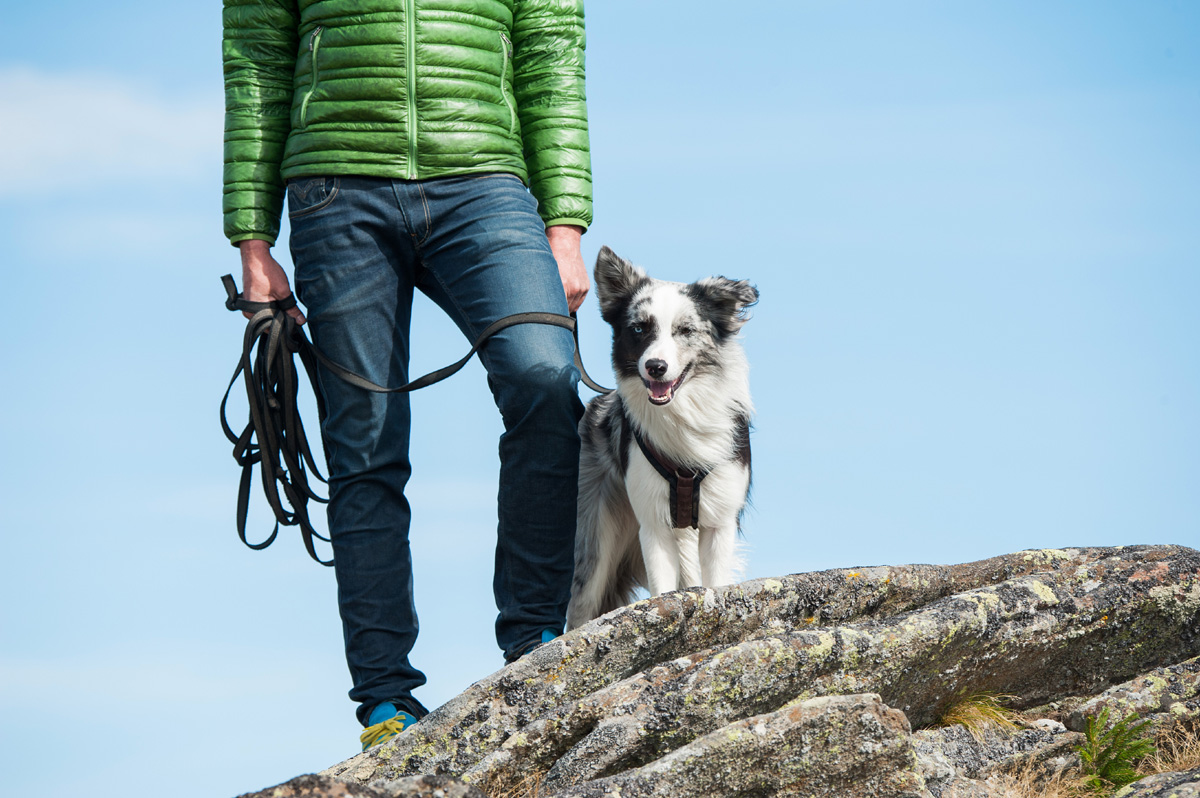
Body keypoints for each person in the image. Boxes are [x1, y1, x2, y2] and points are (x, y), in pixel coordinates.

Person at [221, 0, 591, 750]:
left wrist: (565, 225)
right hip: (334, 184)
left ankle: (535, 643)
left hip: (485, 177)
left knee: (545, 375)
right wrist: (252, 237)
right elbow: (256, 52)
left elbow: (552, 51)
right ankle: (387, 701)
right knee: (366, 445)